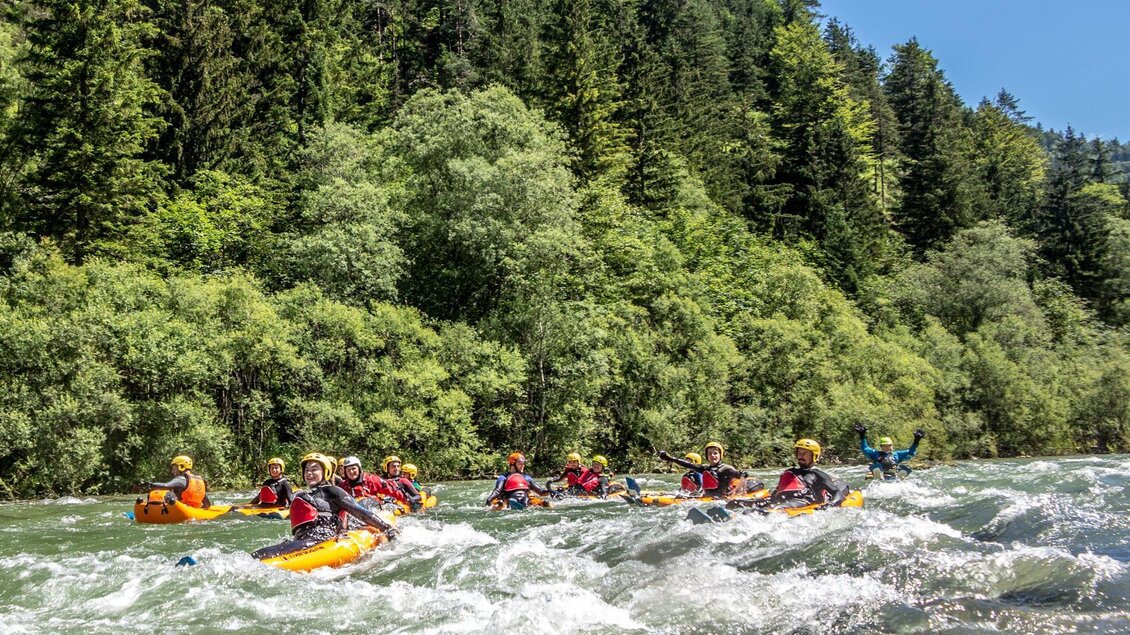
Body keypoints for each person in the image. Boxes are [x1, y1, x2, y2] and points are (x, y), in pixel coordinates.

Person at [250, 453, 397, 559]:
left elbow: (359, 512)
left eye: (314, 469)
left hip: (319, 540)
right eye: (307, 470)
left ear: (325, 471)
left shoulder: (332, 490)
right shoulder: (305, 494)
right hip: (302, 540)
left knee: (259, 556)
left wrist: (386, 528)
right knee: (257, 554)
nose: (309, 473)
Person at [765, 439, 848, 508]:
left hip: (802, 503)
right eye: (799, 453)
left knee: (780, 507)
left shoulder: (817, 475)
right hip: (784, 503)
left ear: (814, 456)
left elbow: (838, 494)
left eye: (805, 453)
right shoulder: (790, 472)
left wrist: (829, 505)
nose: (801, 456)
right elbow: (775, 496)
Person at [657, 442, 748, 497]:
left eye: (715, 453)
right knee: (708, 472)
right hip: (706, 498)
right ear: (706, 456)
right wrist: (670, 458)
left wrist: (742, 474)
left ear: (720, 455)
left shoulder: (727, 469)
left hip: (722, 499)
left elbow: (738, 474)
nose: (712, 456)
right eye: (710, 453)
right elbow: (689, 465)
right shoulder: (704, 468)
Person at [854, 424, 925, 480]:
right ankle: (879, 477)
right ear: (881, 447)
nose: (887, 448)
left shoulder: (897, 455)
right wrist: (862, 436)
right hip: (880, 474)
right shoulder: (875, 453)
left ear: (892, 446)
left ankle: (899, 479)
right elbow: (865, 449)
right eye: (884, 446)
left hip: (893, 476)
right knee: (876, 467)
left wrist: (916, 441)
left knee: (903, 469)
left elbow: (910, 453)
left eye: (889, 446)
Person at [144, 455, 211, 508]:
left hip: (181, 510)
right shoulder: (199, 481)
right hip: (194, 511)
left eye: (174, 468)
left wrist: (150, 484)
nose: (172, 471)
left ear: (181, 467)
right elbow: (207, 504)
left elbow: (166, 486)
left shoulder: (181, 479)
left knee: (167, 494)